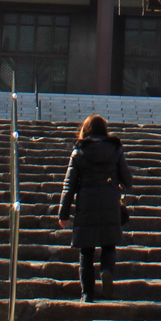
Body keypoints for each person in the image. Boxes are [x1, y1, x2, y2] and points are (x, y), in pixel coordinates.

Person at [57, 114, 133, 303]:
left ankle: (87, 294)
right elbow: (128, 180)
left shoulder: (79, 151)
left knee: (86, 251)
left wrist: (63, 214)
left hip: (87, 203)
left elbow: (69, 185)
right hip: (109, 201)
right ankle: (106, 270)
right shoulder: (115, 149)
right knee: (108, 245)